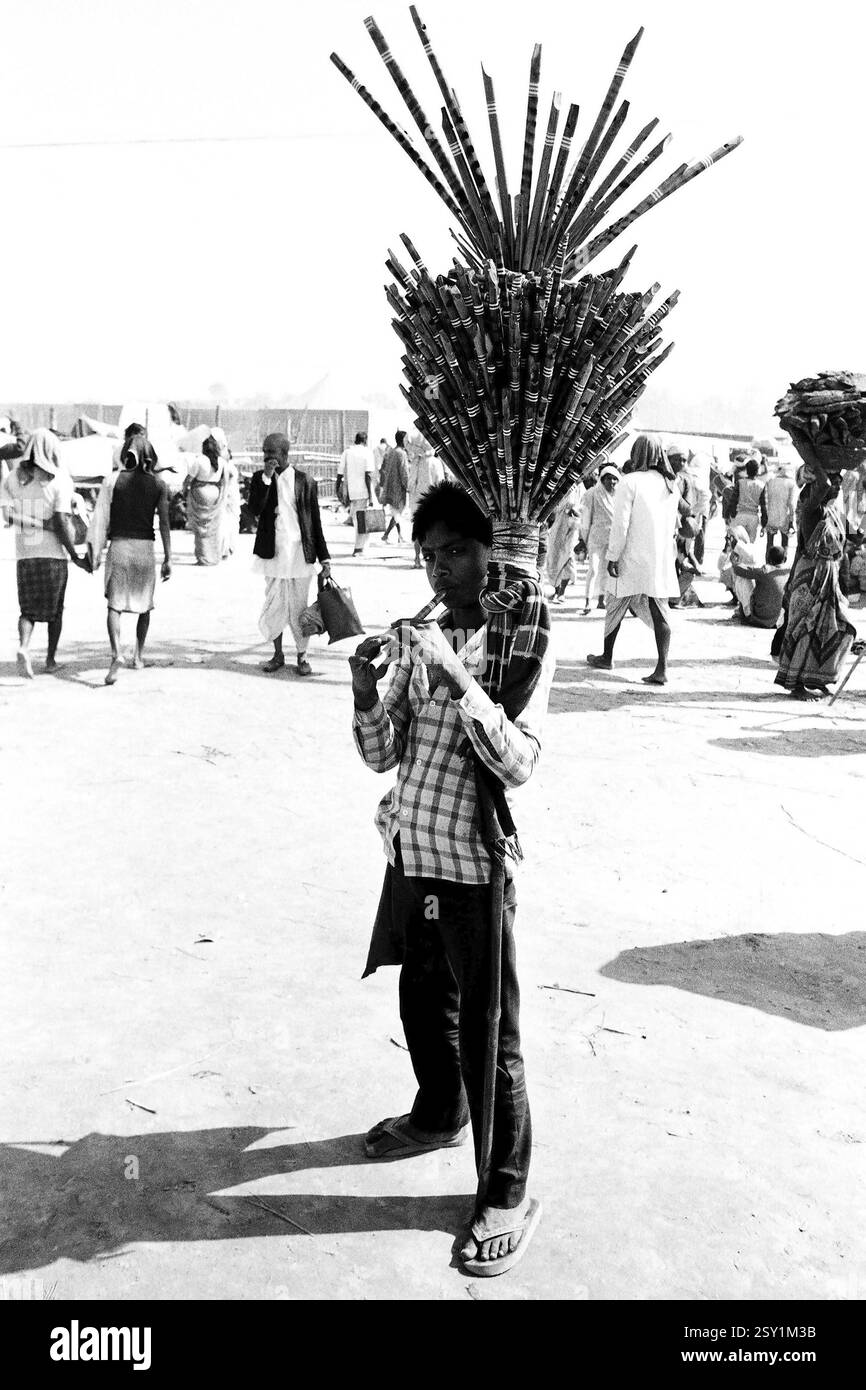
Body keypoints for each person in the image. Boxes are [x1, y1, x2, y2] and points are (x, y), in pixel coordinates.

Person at [349, 480, 553, 1276]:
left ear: (490, 552)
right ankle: (439, 1112)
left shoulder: (520, 640)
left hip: (473, 865)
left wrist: (460, 680)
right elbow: (382, 754)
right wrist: (370, 692)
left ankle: (506, 1189)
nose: (442, 572)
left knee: (490, 1033)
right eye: (430, 555)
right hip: (411, 851)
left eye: (457, 553)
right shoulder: (421, 629)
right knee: (421, 998)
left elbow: (522, 761)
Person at [586, 434, 679, 686]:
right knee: (660, 609)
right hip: (659, 557)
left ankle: (607, 656)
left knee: (615, 602)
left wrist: (613, 556)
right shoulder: (671, 483)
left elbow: (621, 524)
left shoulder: (630, 481)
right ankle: (662, 667)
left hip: (631, 555)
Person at [1, 428, 89, 677]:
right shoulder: (60, 479)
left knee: (27, 610)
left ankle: (24, 646)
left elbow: (7, 515)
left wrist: (35, 522)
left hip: (24, 555)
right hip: (53, 556)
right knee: (55, 611)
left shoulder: (13, 478)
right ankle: (50, 659)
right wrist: (75, 556)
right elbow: (61, 523)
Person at [86, 435, 171, 685]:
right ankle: (139, 656)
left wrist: (96, 551)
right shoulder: (158, 484)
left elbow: (101, 518)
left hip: (120, 547)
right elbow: (165, 523)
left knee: (115, 605)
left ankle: (116, 654)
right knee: (145, 606)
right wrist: (168, 557)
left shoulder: (112, 481)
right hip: (145, 549)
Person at [773, 454, 857, 699]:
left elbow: (849, 540)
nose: (837, 487)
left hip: (826, 578)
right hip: (810, 578)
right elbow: (824, 485)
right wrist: (816, 460)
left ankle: (816, 676)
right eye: (834, 483)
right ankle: (796, 683)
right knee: (803, 629)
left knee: (832, 628)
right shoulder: (811, 508)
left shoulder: (832, 513)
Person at [253, 432, 331, 676]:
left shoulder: (305, 481)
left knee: (299, 607)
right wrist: (266, 478)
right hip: (272, 554)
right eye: (265, 453)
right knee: (274, 605)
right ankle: (277, 655)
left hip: (299, 555)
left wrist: (325, 558)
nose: (267, 457)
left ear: (285, 454)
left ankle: (302, 656)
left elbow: (314, 522)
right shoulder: (259, 479)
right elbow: (254, 509)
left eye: (272, 453)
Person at [182, 429, 230, 565]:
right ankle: (213, 556)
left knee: (200, 528)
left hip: (200, 491)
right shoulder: (221, 461)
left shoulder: (200, 460)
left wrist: (184, 490)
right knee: (212, 527)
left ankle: (203, 557)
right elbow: (225, 480)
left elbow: (188, 479)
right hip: (215, 492)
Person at [577, 466, 619, 612]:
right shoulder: (592, 494)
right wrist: (583, 539)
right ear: (602, 479)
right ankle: (588, 601)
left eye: (615, 479)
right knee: (593, 569)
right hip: (595, 537)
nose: (612, 482)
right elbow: (586, 519)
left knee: (606, 570)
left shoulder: (619, 496)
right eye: (608, 478)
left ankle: (602, 600)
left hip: (612, 538)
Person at [406, 439, 446, 567]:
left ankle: (417, 559)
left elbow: (410, 485)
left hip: (416, 503)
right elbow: (440, 484)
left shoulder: (416, 462)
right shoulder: (435, 463)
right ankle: (432, 559)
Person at [337, 431, 377, 555]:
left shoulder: (347, 452)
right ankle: (358, 548)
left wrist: (338, 489)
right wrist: (371, 497)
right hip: (363, 492)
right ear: (365, 441)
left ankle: (362, 547)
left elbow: (339, 474)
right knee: (364, 521)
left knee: (357, 519)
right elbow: (368, 476)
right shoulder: (367, 452)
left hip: (351, 492)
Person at [544, 482, 584, 604]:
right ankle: (556, 590)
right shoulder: (559, 482)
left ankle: (562, 592)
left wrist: (574, 511)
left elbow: (582, 507)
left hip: (572, 526)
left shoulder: (579, 487)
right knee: (553, 558)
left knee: (567, 557)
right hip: (556, 527)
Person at [731, 546, 787, 628]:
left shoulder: (765, 571)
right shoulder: (788, 571)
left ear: (768, 559)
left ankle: (745, 613)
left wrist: (735, 562)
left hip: (760, 617)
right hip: (778, 619)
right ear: (785, 559)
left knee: (742, 578)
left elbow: (738, 570)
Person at [380, 430, 410, 543]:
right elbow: (404, 472)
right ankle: (387, 535)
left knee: (396, 512)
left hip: (390, 486)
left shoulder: (391, 451)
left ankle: (399, 536)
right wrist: (408, 486)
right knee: (398, 512)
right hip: (398, 487)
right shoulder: (401, 453)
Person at [764, 462, 798, 561]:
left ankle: (768, 563)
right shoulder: (791, 484)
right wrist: (792, 521)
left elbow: (765, 500)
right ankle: (783, 563)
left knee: (769, 543)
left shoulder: (770, 481)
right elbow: (791, 504)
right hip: (784, 518)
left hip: (771, 517)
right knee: (785, 542)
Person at [732, 457, 768, 543]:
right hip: (753, 518)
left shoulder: (740, 483)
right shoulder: (761, 485)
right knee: (750, 546)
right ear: (757, 471)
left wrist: (730, 515)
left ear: (746, 470)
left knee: (738, 546)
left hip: (740, 515)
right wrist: (763, 524)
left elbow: (733, 501)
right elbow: (764, 507)